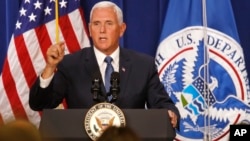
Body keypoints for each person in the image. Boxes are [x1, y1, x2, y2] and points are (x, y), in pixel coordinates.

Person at [29, 1, 180, 129]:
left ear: (121, 29)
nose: (102, 30)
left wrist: (169, 112)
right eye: (96, 24)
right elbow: (40, 103)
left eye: (109, 23)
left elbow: (163, 104)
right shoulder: (70, 64)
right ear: (89, 29)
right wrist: (49, 68)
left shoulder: (143, 65)